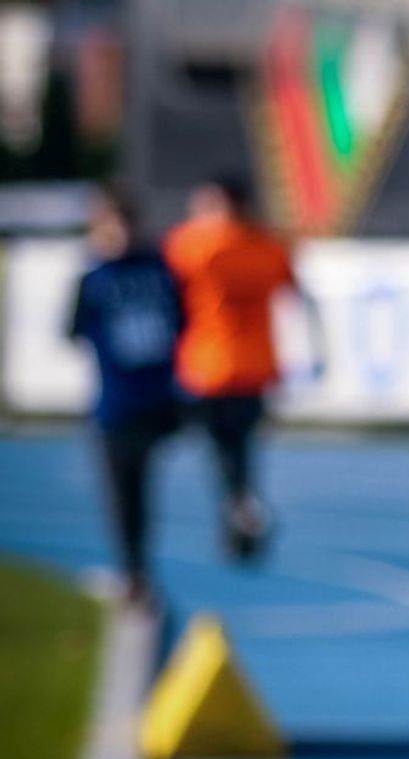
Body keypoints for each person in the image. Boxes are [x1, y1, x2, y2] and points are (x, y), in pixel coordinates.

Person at [163, 174, 297, 562]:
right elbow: (291, 288)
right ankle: (242, 509)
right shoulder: (268, 246)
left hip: (210, 364)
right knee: (241, 447)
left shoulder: (195, 244)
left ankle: (238, 511)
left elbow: (169, 283)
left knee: (220, 447)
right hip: (256, 365)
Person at [69, 186, 185, 605]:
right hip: (117, 403)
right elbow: (73, 331)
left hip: (153, 402)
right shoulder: (95, 278)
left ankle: (136, 574)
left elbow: (185, 323)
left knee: (135, 493)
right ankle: (134, 573)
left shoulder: (157, 270)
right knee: (124, 496)